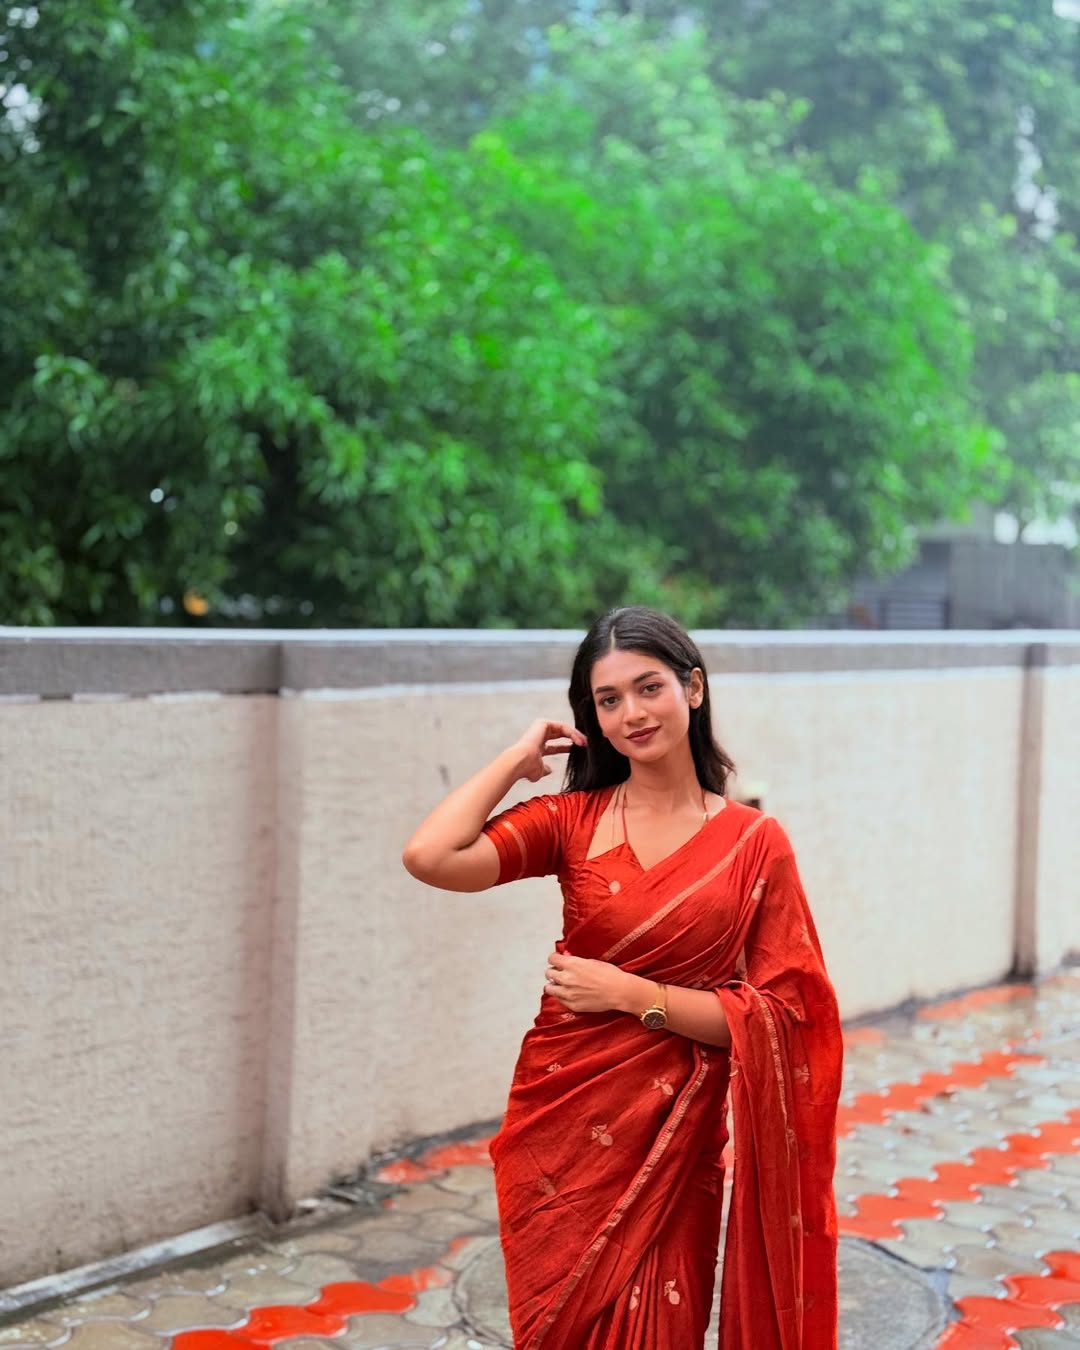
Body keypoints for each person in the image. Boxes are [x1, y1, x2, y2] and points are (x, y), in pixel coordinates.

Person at [402, 605, 842, 1350]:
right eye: (609, 700)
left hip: (675, 1143)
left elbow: (789, 1018)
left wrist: (635, 997)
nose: (632, 713)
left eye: (649, 688)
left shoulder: (754, 846)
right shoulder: (571, 822)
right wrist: (515, 758)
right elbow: (431, 856)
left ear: (692, 689)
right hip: (561, 1125)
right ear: (593, 718)